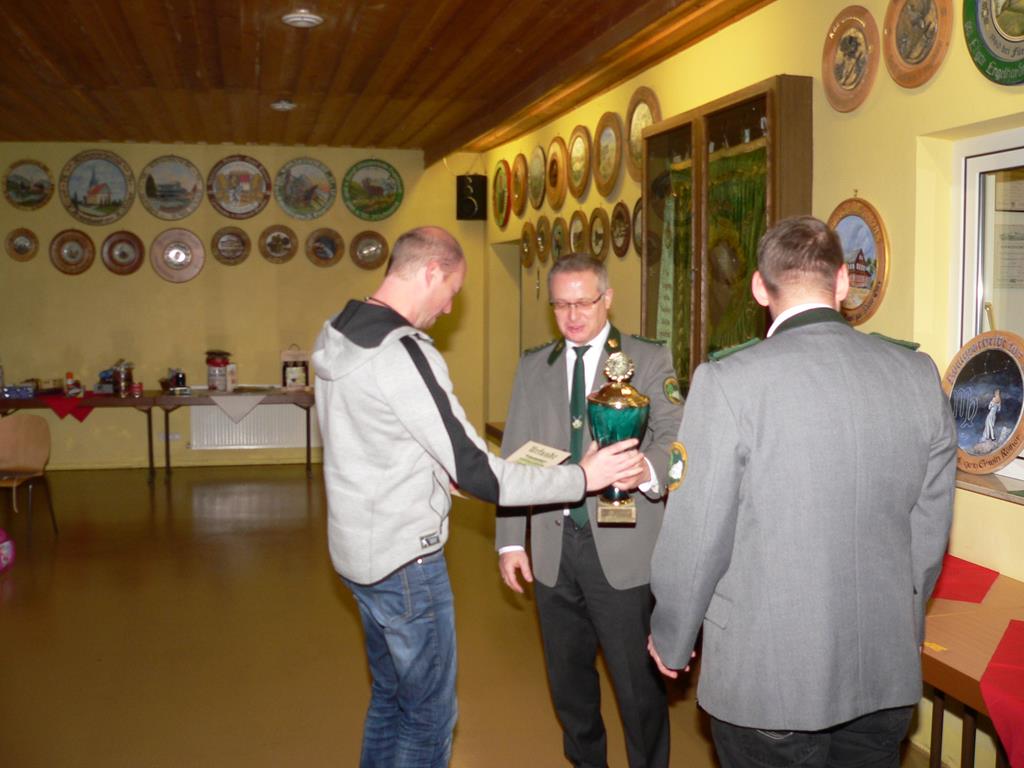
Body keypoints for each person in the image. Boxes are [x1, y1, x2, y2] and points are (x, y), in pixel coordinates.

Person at [312, 227, 643, 768]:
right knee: (427, 716)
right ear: (430, 272)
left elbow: (365, 434)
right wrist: (582, 477)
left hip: (357, 550)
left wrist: (425, 472)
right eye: (451, 291)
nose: (448, 308)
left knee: (391, 698)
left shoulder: (339, 331)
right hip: (405, 562)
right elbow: (481, 473)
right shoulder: (402, 352)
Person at [648, 216, 957, 768]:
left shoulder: (729, 381)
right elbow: (928, 536)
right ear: (841, 282)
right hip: (882, 670)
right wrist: (903, 625)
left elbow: (696, 536)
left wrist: (672, 635)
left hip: (769, 681)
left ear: (759, 289)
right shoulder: (916, 374)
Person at [496, 253, 683, 768]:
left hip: (624, 548)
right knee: (569, 688)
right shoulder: (534, 366)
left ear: (608, 299)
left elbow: (677, 436)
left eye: (583, 302)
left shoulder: (646, 358)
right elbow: (515, 457)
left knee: (638, 691)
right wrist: (510, 540)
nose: (572, 315)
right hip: (553, 547)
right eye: (561, 305)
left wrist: (646, 471)